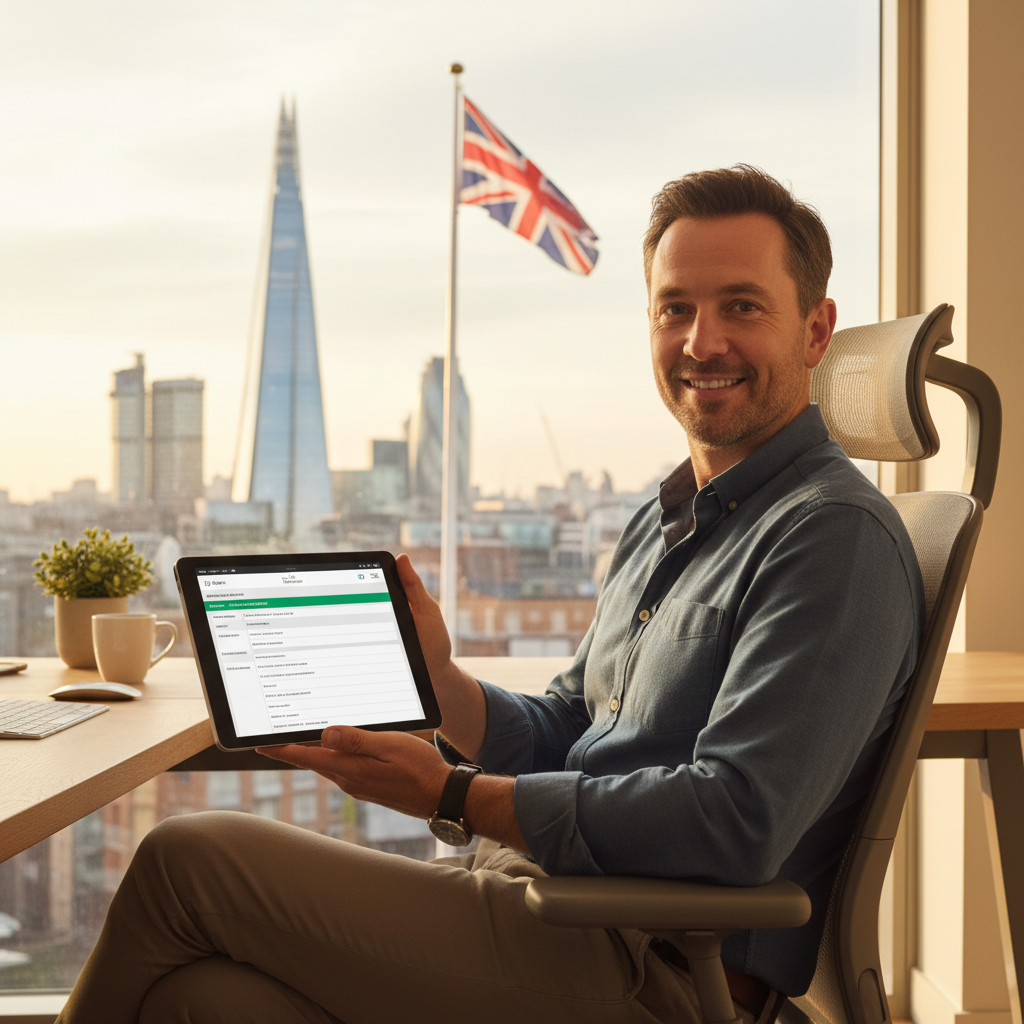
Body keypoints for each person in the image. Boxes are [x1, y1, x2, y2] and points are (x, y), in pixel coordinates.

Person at [57, 166, 924, 1024]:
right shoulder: (667, 519)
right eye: (675, 308)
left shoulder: (832, 537)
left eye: (742, 305)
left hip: (648, 968)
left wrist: (451, 794)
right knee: (200, 1000)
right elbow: (575, 732)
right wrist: (445, 689)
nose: (701, 341)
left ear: (816, 332)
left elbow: (734, 821)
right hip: (539, 909)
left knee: (187, 859)